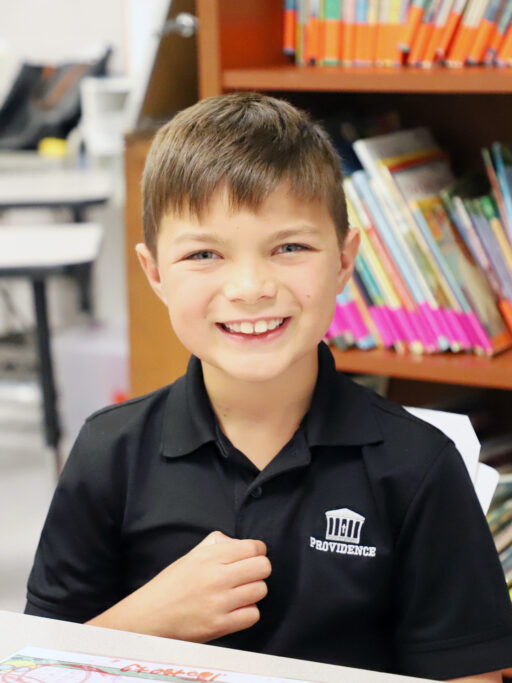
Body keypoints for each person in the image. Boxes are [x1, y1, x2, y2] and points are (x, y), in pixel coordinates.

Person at [25, 92, 512, 681]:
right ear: (155, 273)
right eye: (204, 253)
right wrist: (147, 620)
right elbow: (39, 663)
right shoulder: (110, 452)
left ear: (343, 259)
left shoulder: (419, 466)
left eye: (290, 248)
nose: (250, 286)